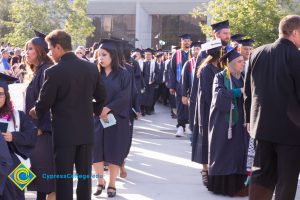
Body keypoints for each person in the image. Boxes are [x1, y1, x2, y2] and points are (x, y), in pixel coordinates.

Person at [29, 30, 106, 200]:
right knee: (85, 178)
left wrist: (33, 111)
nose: (50, 53)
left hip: (64, 135)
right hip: (86, 131)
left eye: (50, 49)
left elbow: (43, 104)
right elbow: (102, 96)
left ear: (58, 47)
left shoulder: (54, 72)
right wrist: (91, 111)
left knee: (63, 179)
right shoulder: (91, 68)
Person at [244, 15, 300, 200]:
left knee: (261, 176)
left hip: (261, 128)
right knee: (287, 180)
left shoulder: (257, 53)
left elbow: (248, 92)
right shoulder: (296, 57)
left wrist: (248, 120)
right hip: (290, 131)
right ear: (295, 32)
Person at [92, 39, 132, 198]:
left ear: (112, 56)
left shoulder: (123, 73)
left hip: (116, 118)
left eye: (104, 55)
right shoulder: (94, 73)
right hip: (96, 117)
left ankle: (112, 183)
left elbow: (125, 95)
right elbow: (88, 93)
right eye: (98, 55)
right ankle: (100, 181)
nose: (100, 58)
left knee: (114, 151)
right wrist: (97, 109)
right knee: (96, 151)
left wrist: (108, 108)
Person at [207, 48, 249, 197]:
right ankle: (223, 187)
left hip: (240, 123)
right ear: (230, 63)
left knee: (238, 152)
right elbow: (219, 95)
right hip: (223, 122)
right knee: (224, 152)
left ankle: (239, 185)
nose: (242, 64)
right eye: (239, 62)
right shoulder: (220, 77)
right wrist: (239, 92)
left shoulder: (244, 76)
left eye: (243, 62)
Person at [24, 30, 56, 200]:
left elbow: (48, 103)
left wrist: (41, 128)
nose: (26, 52)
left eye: (30, 49)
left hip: (42, 132)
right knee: (36, 173)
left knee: (43, 174)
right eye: (26, 49)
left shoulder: (45, 71)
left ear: (40, 51)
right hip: (33, 130)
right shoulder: (37, 71)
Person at [0, 73, 37, 200]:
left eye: (1, 94)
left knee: (18, 196)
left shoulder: (18, 116)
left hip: (18, 165)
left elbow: (32, 136)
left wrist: (13, 137)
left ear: (6, 95)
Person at [191, 39, 222, 186]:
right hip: (206, 109)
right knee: (205, 141)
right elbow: (209, 93)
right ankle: (205, 170)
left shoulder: (220, 67)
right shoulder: (206, 69)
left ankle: (213, 169)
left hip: (215, 108)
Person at [169, 34, 192, 136]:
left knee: (190, 106)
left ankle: (188, 125)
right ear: (181, 42)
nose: (186, 42)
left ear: (190, 42)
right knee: (180, 106)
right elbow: (172, 71)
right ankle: (180, 126)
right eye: (184, 41)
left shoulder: (194, 53)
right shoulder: (176, 54)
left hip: (191, 84)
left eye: (188, 41)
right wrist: (172, 86)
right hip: (180, 84)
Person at [140, 48, 160, 116]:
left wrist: (154, 79)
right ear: (144, 55)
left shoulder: (155, 63)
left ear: (152, 55)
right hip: (143, 83)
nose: (148, 56)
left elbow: (158, 73)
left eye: (149, 54)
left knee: (150, 97)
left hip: (151, 83)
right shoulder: (142, 63)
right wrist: (142, 82)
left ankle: (148, 110)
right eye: (146, 54)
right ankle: (142, 110)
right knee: (143, 97)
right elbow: (140, 74)